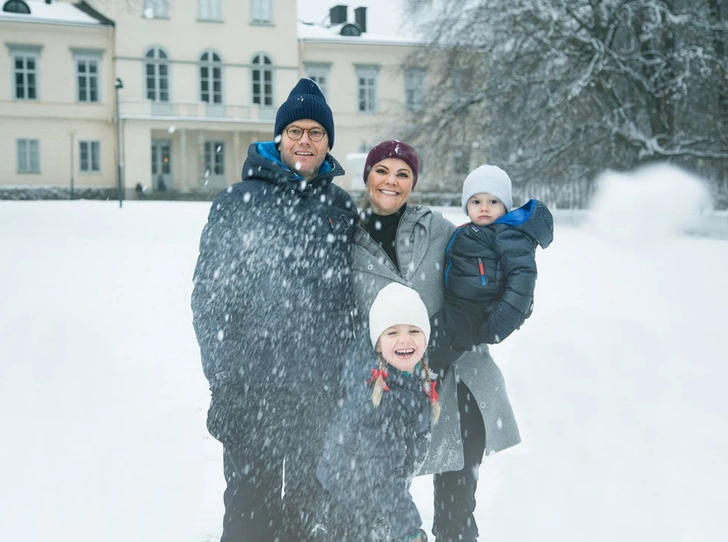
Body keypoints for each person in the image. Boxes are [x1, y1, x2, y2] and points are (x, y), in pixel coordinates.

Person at [191, 78, 358, 542]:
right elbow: (211, 301)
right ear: (280, 137)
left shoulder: (340, 207)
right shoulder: (237, 203)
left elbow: (352, 303)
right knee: (250, 518)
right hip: (253, 395)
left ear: (328, 143)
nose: (305, 141)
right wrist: (225, 384)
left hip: (319, 397)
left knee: (312, 518)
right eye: (296, 131)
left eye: (316, 133)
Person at [349, 140, 521, 542]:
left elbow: (491, 283)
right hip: (388, 393)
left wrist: (512, 304)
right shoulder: (348, 244)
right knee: (386, 513)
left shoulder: (440, 230)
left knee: (456, 513)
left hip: (460, 382)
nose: (391, 181)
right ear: (368, 176)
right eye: (382, 171)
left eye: (403, 173)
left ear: (413, 182)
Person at [316, 282, 438, 542]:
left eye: (414, 330)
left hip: (368, 503)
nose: (405, 339)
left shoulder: (410, 378)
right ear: (378, 343)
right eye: (392, 332)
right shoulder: (380, 397)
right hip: (353, 511)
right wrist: (408, 529)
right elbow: (384, 477)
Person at [434, 163, 554, 355]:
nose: (484, 208)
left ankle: (424, 375)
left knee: (439, 339)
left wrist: (508, 312)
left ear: (505, 207)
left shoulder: (507, 234)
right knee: (432, 332)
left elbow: (523, 274)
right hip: (459, 305)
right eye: (476, 202)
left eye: (493, 202)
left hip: (478, 310)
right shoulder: (474, 230)